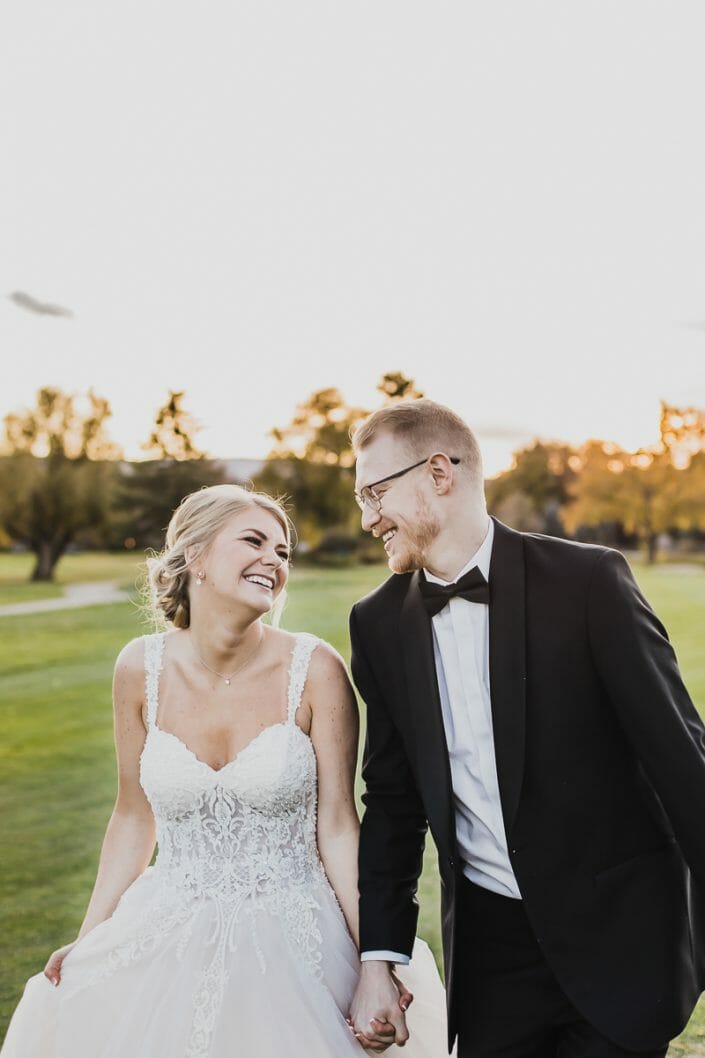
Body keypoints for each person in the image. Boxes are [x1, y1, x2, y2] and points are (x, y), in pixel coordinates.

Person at [1, 483, 449, 1057]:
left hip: (299, 940)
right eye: (254, 541)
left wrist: (374, 962)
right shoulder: (139, 669)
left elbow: (338, 826)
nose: (274, 560)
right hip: (167, 929)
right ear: (196, 556)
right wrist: (92, 939)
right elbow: (134, 817)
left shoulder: (315, 669)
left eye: (283, 551)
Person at [346, 399, 705, 1058]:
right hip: (489, 967)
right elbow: (393, 803)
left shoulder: (587, 582)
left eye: (374, 492)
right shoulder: (376, 625)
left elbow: (681, 763)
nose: (367, 518)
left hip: (618, 948)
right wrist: (379, 957)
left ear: (438, 473)